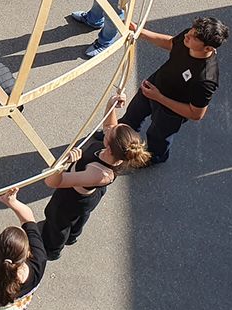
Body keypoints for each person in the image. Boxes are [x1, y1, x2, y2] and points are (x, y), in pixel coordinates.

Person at [98, 17, 229, 165]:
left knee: (157, 136)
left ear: (208, 48)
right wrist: (140, 32)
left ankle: (154, 158)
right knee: (132, 115)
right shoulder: (188, 38)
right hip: (153, 87)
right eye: (191, 31)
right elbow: (171, 43)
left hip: (170, 111)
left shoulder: (205, 79)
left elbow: (196, 114)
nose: (187, 35)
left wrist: (159, 97)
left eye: (194, 37)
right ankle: (115, 135)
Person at [40, 94, 150, 261]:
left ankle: (51, 249)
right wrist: (111, 105)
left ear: (109, 145)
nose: (110, 127)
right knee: (80, 218)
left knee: (58, 222)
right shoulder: (117, 153)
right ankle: (73, 236)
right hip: (89, 194)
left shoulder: (98, 173)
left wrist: (61, 166)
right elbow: (110, 124)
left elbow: (55, 182)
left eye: (111, 132)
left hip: (72, 198)